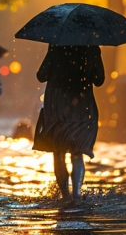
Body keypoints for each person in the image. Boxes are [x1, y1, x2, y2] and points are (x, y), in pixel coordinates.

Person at [33, 44, 105, 200]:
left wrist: (53, 55)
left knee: (58, 152)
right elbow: (99, 80)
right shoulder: (91, 47)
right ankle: (77, 195)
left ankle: (65, 196)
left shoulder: (56, 46)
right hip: (82, 104)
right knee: (77, 151)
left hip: (57, 104)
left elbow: (41, 75)